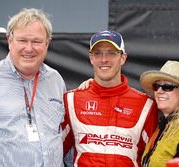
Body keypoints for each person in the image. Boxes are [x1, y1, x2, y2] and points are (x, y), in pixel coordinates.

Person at [0, 8, 66, 167]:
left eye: (36, 41)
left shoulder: (55, 80)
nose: (29, 48)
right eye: (22, 40)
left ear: (47, 43)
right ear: (9, 41)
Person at [61, 30, 158, 167]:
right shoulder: (71, 100)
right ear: (91, 58)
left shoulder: (146, 105)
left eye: (111, 53)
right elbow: (52, 153)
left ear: (123, 58)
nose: (104, 59)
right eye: (98, 53)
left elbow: (155, 160)